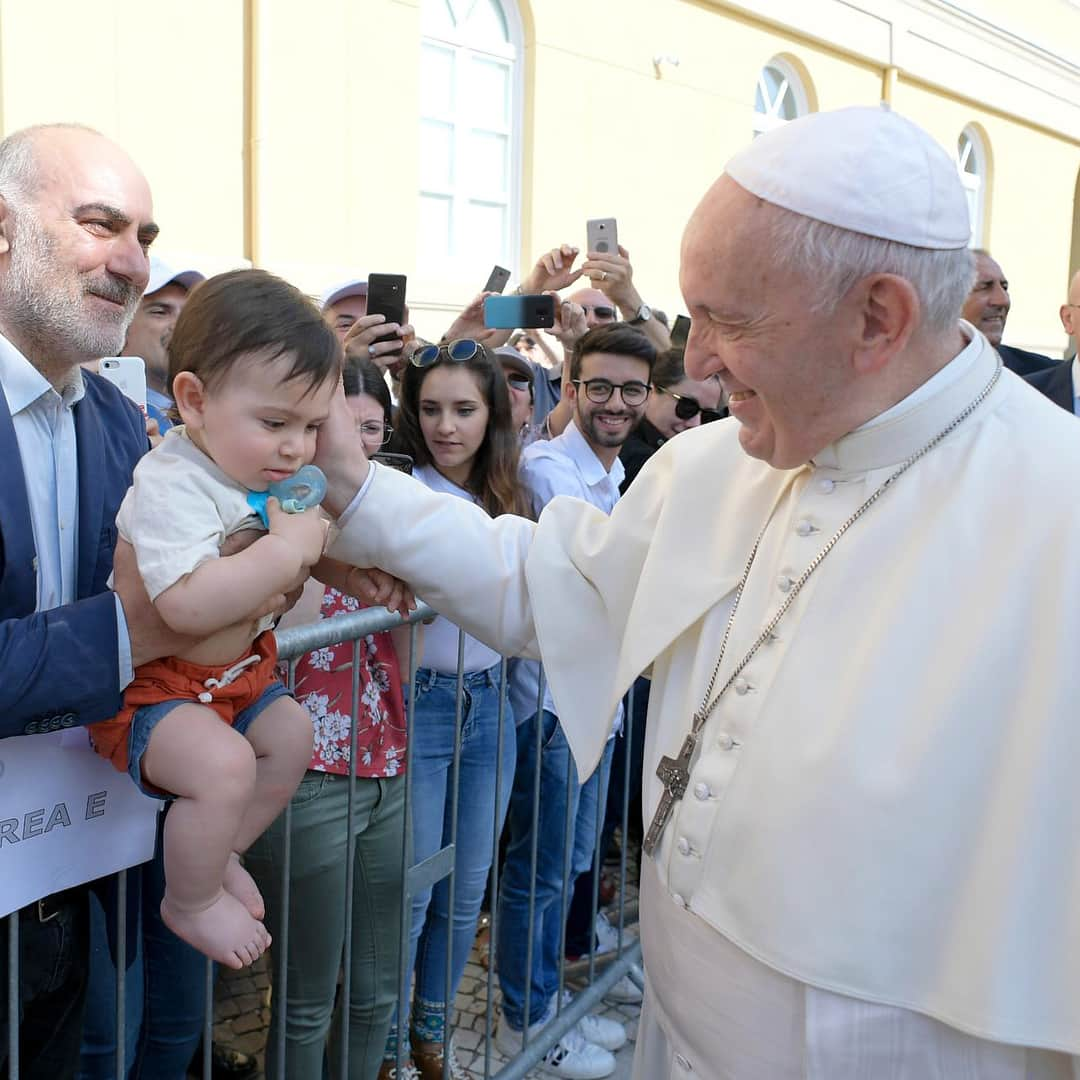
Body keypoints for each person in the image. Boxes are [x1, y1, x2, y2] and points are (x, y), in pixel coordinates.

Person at [316, 105, 1080, 1078]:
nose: (701, 361)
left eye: (730, 318)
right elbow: (538, 584)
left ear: (877, 320)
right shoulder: (713, 464)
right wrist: (355, 482)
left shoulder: (1061, 511)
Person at [88, 268, 338, 970]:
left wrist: (348, 570)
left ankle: (218, 851)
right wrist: (287, 551)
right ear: (194, 400)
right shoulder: (173, 482)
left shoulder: (251, 470)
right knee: (225, 765)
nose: (296, 448)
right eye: (276, 423)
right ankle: (188, 899)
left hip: (232, 675)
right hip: (154, 689)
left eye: (312, 427)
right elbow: (184, 605)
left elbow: (316, 543)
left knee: (292, 735)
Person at [0, 120, 166, 1079]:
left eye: (145, 236)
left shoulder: (115, 416)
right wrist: (123, 636)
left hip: (71, 878)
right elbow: (131, 622)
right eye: (102, 224)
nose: (134, 263)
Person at [244, 354, 410, 1080]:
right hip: (306, 777)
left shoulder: (389, 506)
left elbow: (408, 637)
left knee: (375, 992)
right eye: (315, 422)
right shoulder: (264, 505)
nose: (338, 438)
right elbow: (282, 625)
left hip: (388, 761)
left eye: (347, 424)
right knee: (307, 999)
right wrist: (308, 524)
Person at [496, 324, 655, 1078]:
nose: (615, 403)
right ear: (574, 390)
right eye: (600, 387)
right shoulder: (551, 472)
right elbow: (609, 590)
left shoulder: (612, 474)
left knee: (574, 862)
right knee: (543, 872)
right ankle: (528, 1020)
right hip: (557, 708)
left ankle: (551, 1000)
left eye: (631, 389)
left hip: (602, 700)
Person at [381, 339, 527, 1080]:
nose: (446, 426)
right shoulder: (401, 489)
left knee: (467, 886)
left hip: (492, 705)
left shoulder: (511, 491)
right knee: (412, 889)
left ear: (491, 414)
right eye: (430, 408)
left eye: (463, 409)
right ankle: (382, 1048)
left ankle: (430, 1032)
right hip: (425, 708)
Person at [618, 347, 724, 491]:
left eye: (708, 417)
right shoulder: (629, 455)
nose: (695, 423)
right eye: (687, 407)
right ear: (651, 390)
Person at [121, 255, 204, 432]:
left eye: (189, 313)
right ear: (123, 326)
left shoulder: (210, 410)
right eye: (160, 312)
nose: (180, 325)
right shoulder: (97, 407)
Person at [960, 250, 1059, 375]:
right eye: (984, 287)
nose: (1003, 300)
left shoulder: (1047, 377)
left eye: (1004, 287)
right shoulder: (929, 375)